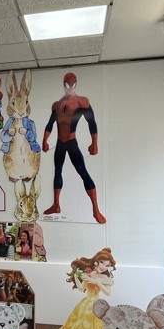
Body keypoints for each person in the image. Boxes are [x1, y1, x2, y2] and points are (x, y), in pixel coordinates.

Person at [42, 72, 105, 223]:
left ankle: (96, 210)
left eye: (72, 84)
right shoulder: (57, 105)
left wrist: (94, 143)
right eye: (66, 84)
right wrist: (45, 140)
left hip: (71, 143)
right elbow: (50, 124)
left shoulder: (81, 102)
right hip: (60, 144)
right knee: (57, 172)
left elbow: (92, 122)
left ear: (76, 84)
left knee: (83, 173)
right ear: (63, 84)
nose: (69, 87)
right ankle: (56, 205)